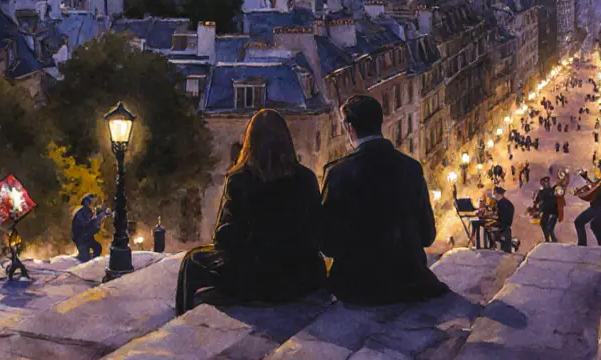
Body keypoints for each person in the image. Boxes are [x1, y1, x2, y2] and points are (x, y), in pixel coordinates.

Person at [175, 109, 325, 316]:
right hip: (301, 277)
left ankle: (182, 320)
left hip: (256, 280)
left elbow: (224, 237)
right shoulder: (307, 178)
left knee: (192, 260)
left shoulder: (240, 179)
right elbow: (316, 231)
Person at [321, 95, 449, 305]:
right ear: (380, 123)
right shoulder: (411, 167)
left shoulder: (338, 173)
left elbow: (328, 245)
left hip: (357, 287)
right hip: (410, 281)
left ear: (350, 128)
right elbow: (427, 236)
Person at [574, 159, 601, 247]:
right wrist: (586, 178)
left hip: (598, 207)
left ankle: (582, 245)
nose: (599, 169)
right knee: (595, 226)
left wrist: (581, 194)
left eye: (600, 166)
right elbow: (597, 187)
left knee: (579, 222)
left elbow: (596, 190)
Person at [71, 194, 109, 262]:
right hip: (81, 239)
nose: (90, 203)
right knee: (84, 258)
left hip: (87, 238)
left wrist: (98, 221)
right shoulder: (81, 213)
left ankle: (90, 260)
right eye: (89, 201)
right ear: (85, 202)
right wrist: (98, 219)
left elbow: (92, 227)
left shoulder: (89, 212)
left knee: (98, 248)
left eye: (90, 202)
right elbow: (86, 225)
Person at [534, 176, 559, 242]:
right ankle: (547, 240)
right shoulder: (541, 193)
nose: (545, 183)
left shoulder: (553, 190)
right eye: (544, 182)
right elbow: (537, 202)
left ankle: (554, 241)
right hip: (546, 212)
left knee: (549, 228)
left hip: (553, 212)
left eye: (547, 181)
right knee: (543, 224)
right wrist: (537, 209)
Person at [492, 187, 514, 252]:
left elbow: (501, 216)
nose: (494, 194)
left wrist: (494, 217)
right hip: (504, 224)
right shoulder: (501, 202)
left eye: (495, 193)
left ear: (499, 194)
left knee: (487, 227)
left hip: (503, 225)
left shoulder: (503, 203)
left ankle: (492, 246)